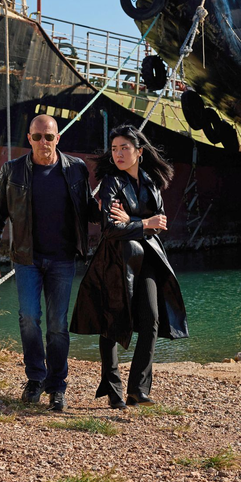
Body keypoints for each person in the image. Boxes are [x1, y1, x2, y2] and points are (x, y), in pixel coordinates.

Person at [0, 114, 99, 411]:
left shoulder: (76, 169)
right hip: (26, 259)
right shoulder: (12, 170)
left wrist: (113, 208)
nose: (43, 142)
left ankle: (57, 386)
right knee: (29, 318)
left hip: (62, 259)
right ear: (29, 139)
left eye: (49, 137)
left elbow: (87, 210)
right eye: (37, 137)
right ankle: (35, 378)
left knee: (58, 325)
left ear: (58, 138)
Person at [70, 124, 188, 409]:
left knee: (152, 320)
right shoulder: (111, 182)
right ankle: (113, 390)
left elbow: (160, 225)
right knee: (111, 323)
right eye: (114, 149)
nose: (119, 153)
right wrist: (143, 223)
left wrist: (132, 220)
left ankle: (138, 388)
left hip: (146, 259)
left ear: (140, 152)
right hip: (114, 259)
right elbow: (110, 229)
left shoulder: (150, 180)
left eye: (124, 148)